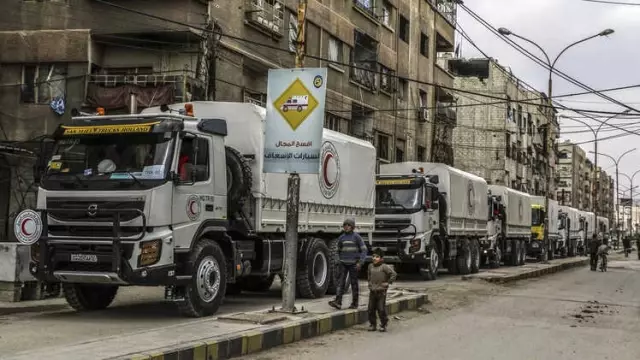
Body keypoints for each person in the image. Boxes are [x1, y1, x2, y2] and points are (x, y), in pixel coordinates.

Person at [329, 218, 367, 310]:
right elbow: (337, 251)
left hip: (354, 264)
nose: (346, 227)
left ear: (352, 227)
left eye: (348, 225)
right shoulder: (341, 238)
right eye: (345, 225)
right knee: (340, 283)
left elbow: (364, 250)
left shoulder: (357, 237)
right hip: (343, 264)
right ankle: (338, 302)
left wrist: (360, 262)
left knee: (354, 284)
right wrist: (337, 260)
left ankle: (355, 303)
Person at [367, 248, 397, 332]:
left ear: (381, 258)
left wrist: (388, 282)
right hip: (372, 292)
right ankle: (373, 324)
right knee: (370, 309)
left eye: (377, 257)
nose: (374, 258)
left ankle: (383, 324)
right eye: (373, 256)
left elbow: (393, 274)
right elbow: (369, 276)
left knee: (381, 309)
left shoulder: (384, 267)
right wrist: (369, 284)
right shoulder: (370, 266)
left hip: (381, 292)